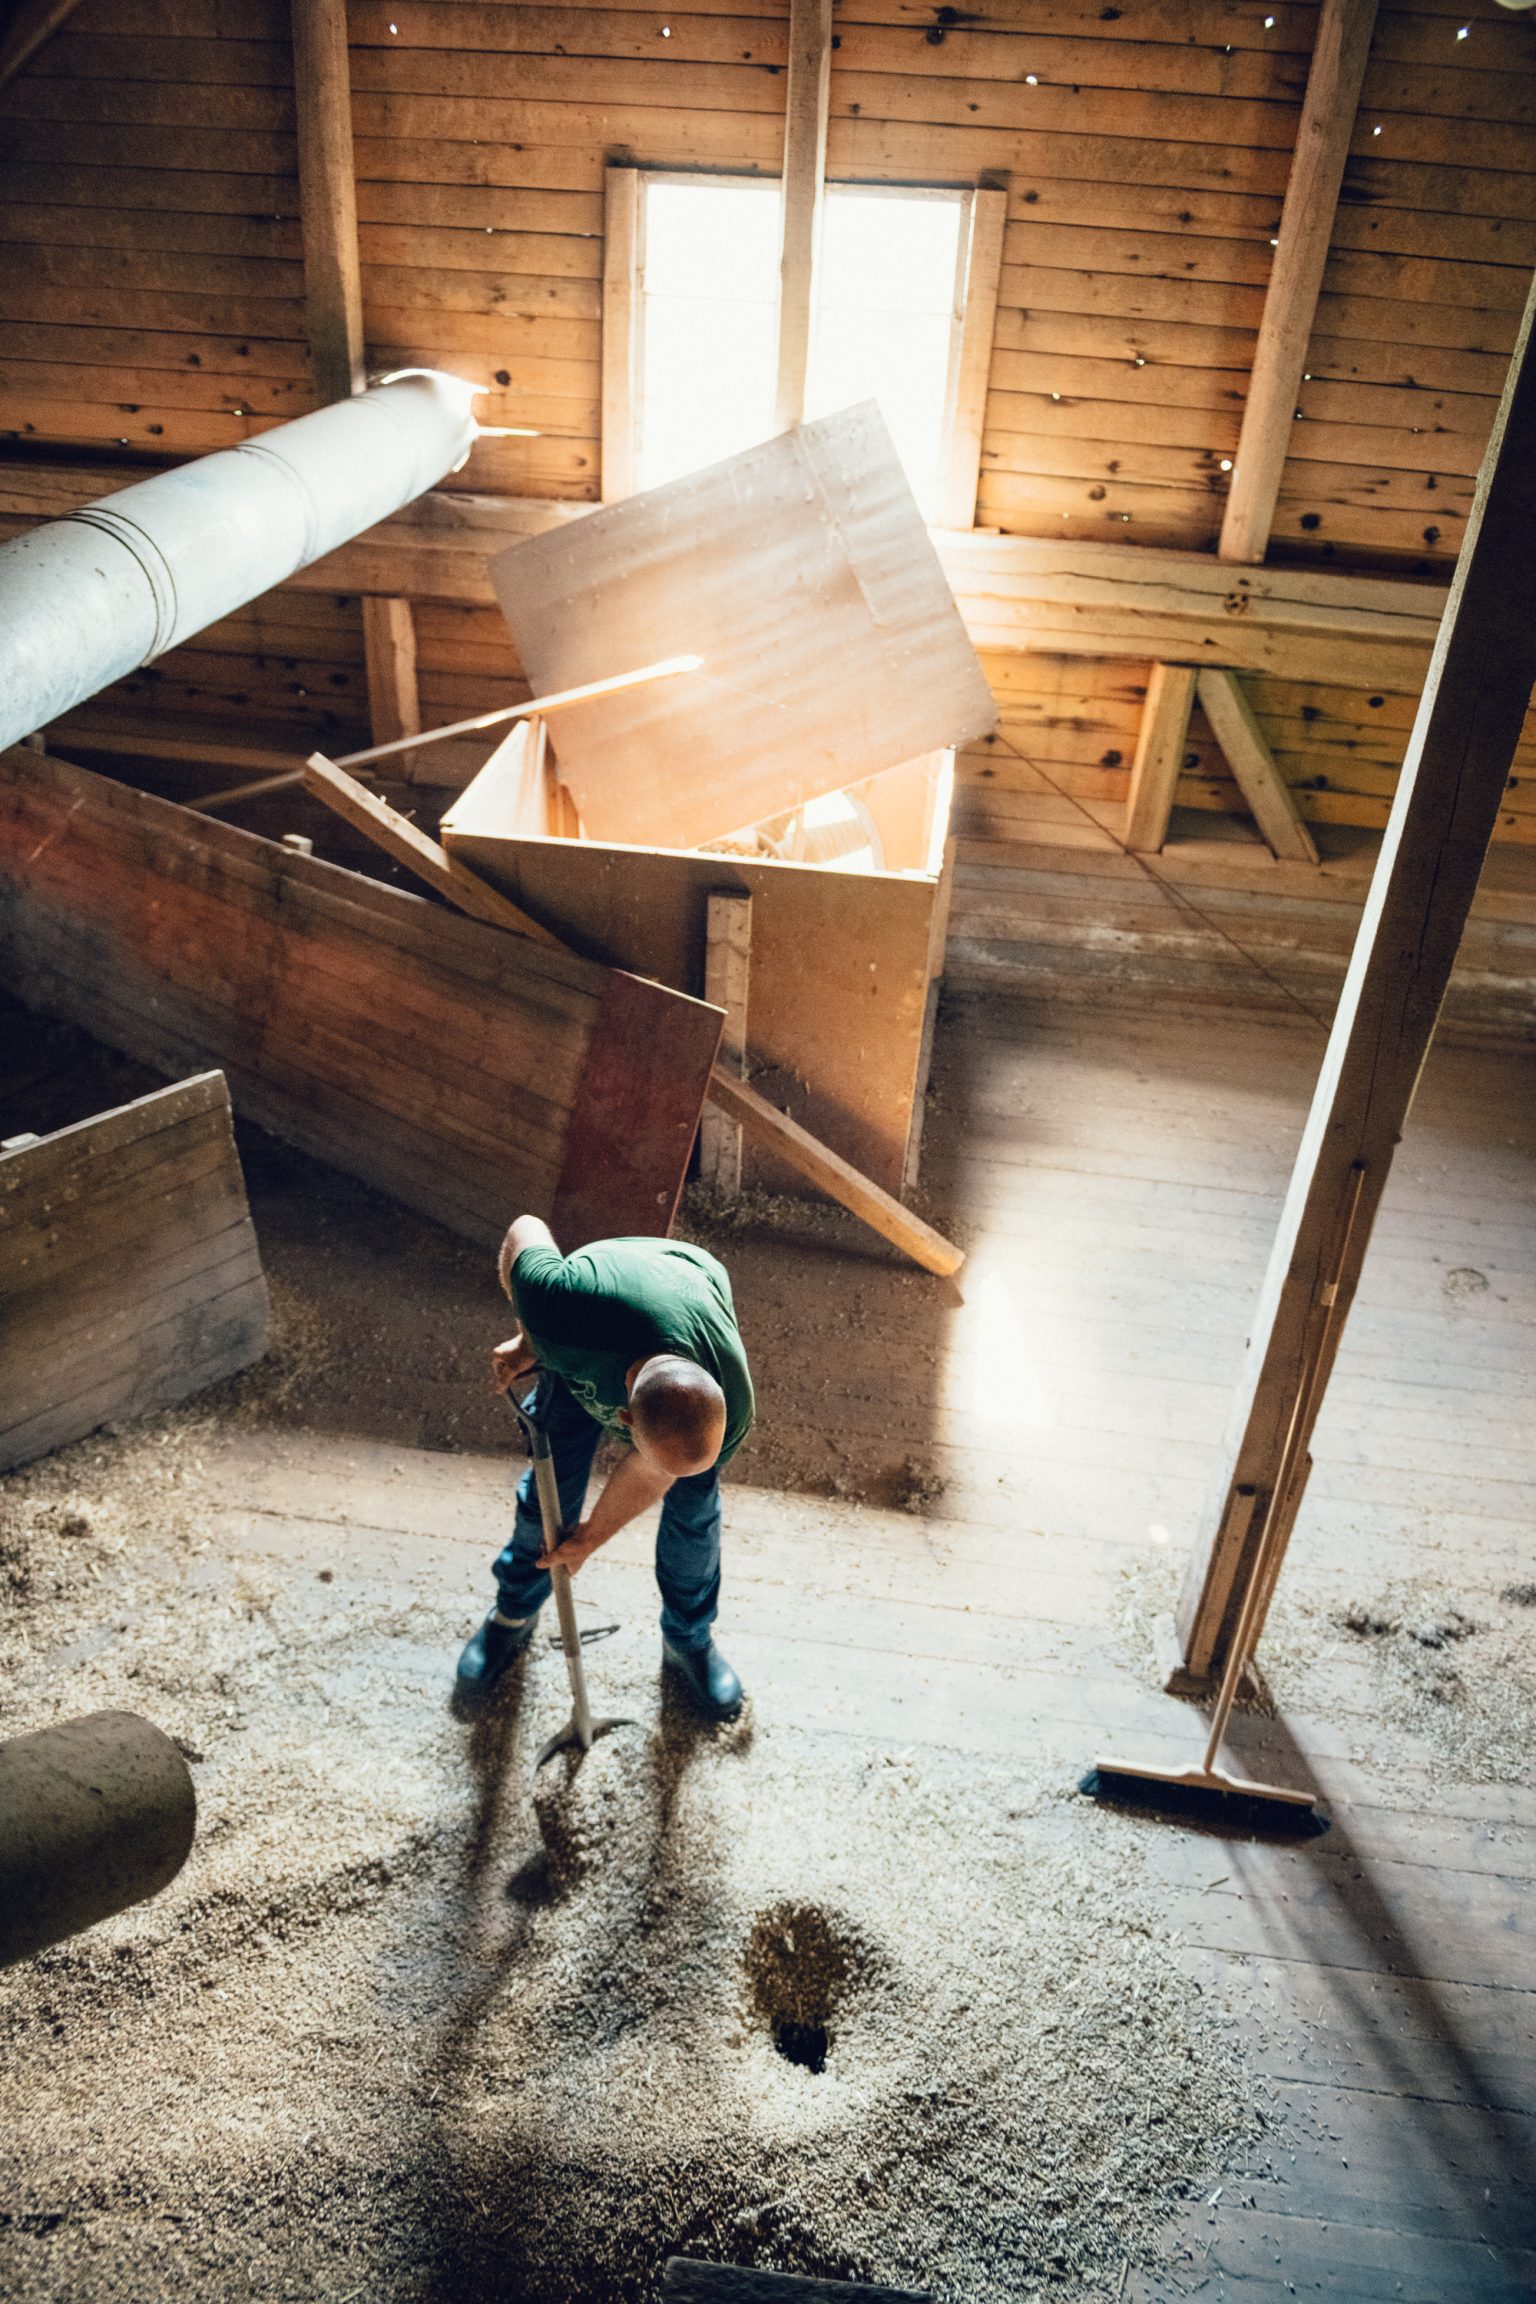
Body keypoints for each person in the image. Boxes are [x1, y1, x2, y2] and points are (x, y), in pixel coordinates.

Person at [454, 1214, 754, 1721]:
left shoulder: (731, 1405)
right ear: (622, 1417)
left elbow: (652, 1473)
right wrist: (532, 1337)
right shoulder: (562, 1306)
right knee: (547, 1500)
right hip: (591, 1325)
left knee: (696, 1515)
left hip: (689, 1282)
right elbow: (523, 1230)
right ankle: (514, 1613)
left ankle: (688, 1640)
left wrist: (592, 1537)